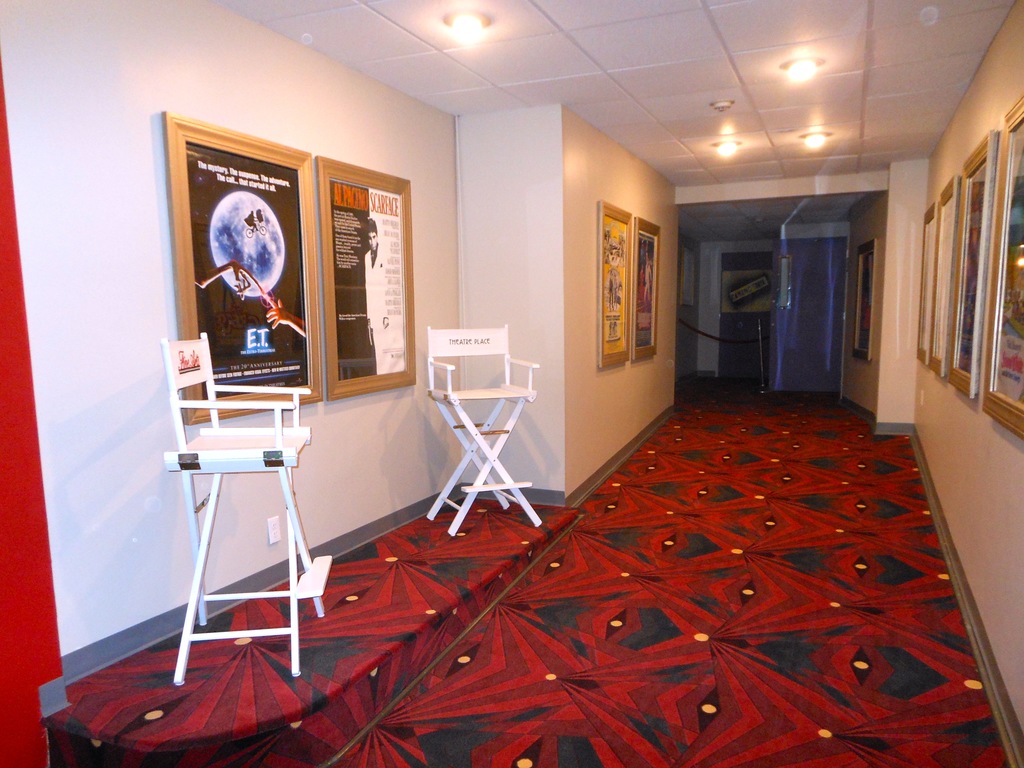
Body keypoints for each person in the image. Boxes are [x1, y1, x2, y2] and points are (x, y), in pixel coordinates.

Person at [364, 217, 404, 374]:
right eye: (369, 238)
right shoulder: (366, 257)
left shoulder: (386, 255)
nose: (372, 241)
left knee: (388, 351)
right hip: (373, 312)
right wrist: (368, 317)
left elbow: (390, 285)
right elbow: (367, 287)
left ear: (377, 236)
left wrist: (387, 314)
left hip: (385, 313)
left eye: (374, 237)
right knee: (376, 351)